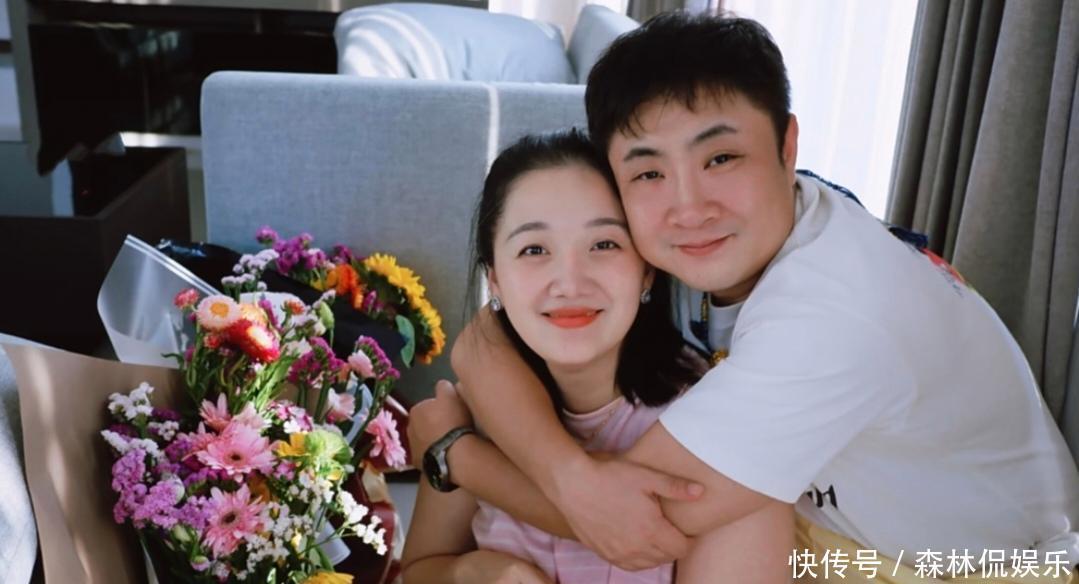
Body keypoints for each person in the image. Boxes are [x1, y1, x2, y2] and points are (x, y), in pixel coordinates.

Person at [409, 12, 1079, 582]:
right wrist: (562, 471)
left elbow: (634, 520)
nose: (688, 206)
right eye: (648, 172)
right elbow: (488, 335)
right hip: (839, 533)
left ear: (787, 145)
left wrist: (458, 455)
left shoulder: (832, 313)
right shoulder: (729, 233)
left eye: (720, 158)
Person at [400, 128, 793, 583]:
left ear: (646, 272)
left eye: (604, 244)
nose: (570, 282)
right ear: (495, 281)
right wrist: (480, 572)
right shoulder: (477, 411)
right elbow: (420, 570)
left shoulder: (716, 431)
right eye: (534, 249)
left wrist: (464, 460)